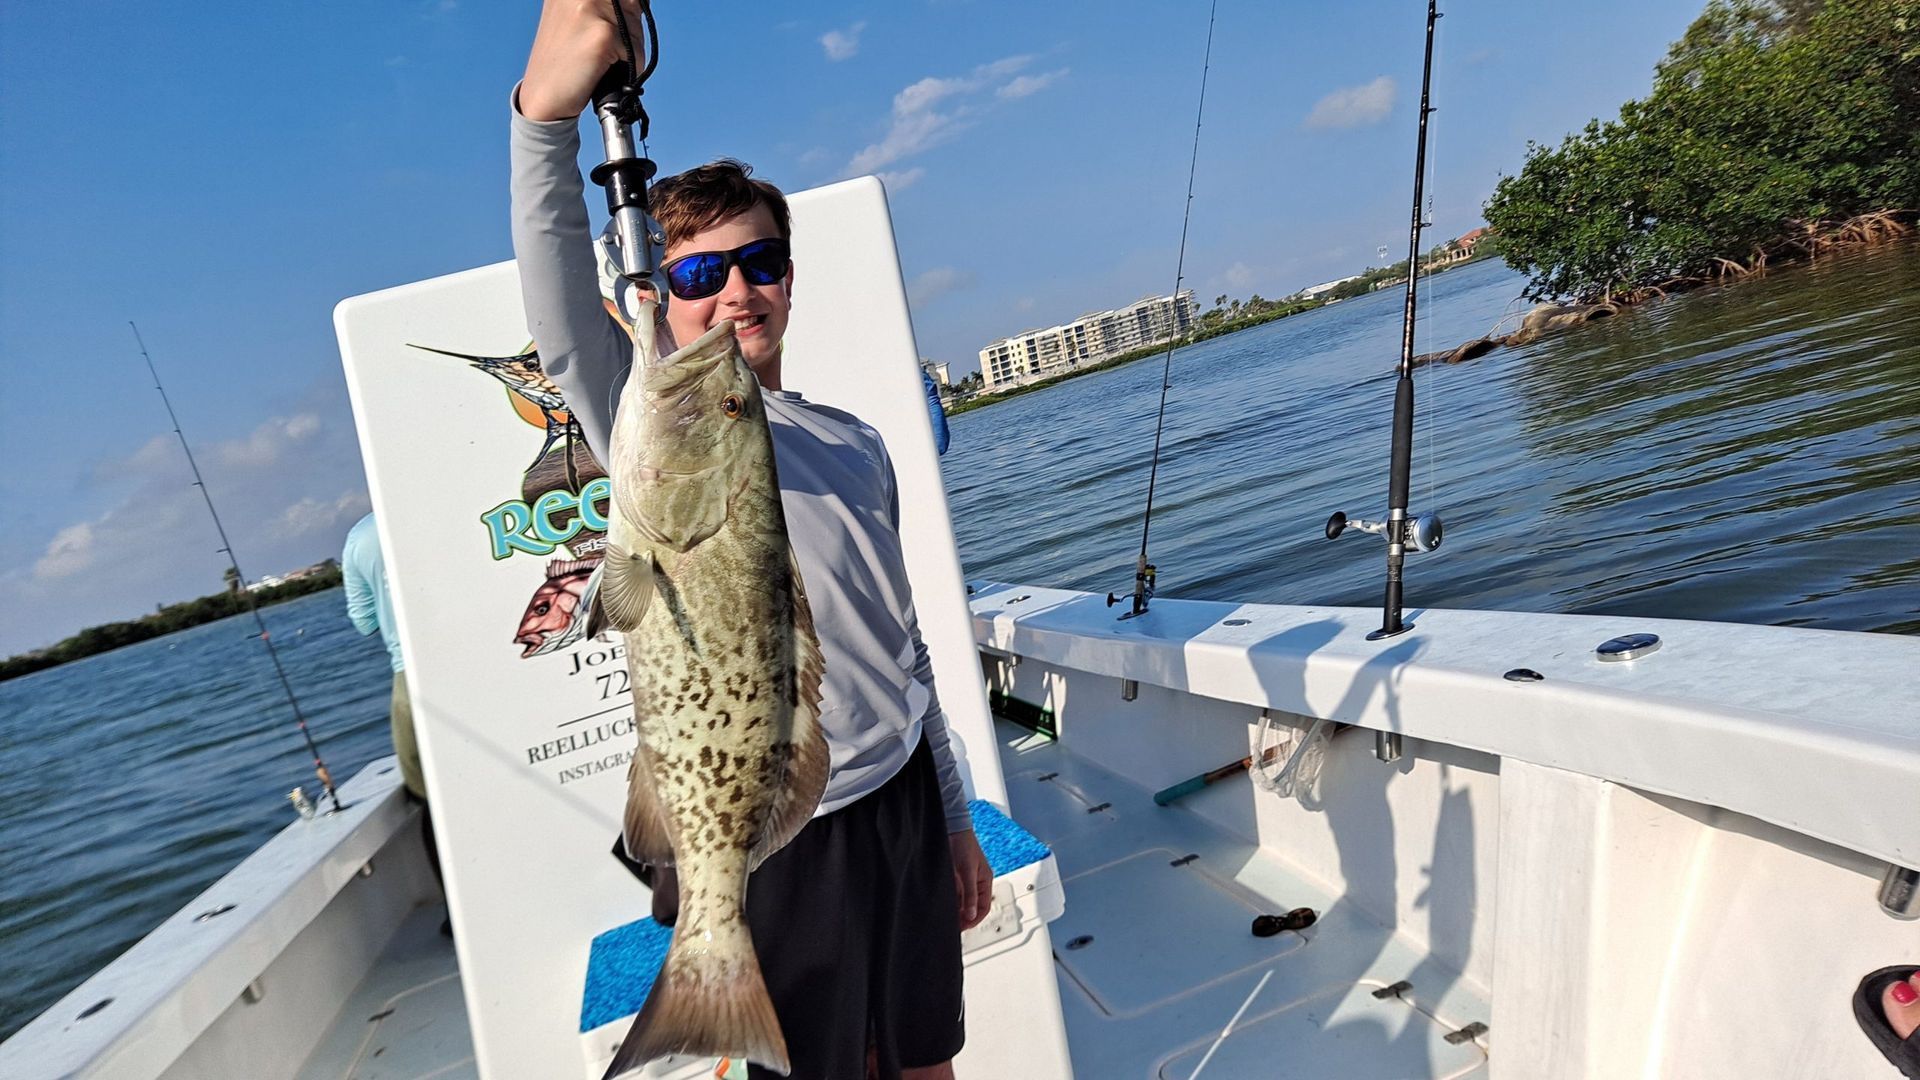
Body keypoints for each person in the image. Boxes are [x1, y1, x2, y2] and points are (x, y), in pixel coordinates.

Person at [511, 6, 992, 1079]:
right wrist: (542, 119)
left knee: (925, 1061)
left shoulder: (860, 443)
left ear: (788, 274)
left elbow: (902, 647)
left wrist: (952, 815)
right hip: (775, 841)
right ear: (657, 301)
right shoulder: (655, 413)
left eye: (759, 262)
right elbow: (556, 313)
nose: (735, 292)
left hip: (902, 799)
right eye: (696, 277)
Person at [341, 513, 444, 897]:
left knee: (427, 798)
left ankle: (455, 911)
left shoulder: (358, 539)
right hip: (461, 661)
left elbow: (364, 623)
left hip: (409, 681)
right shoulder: (429, 511)